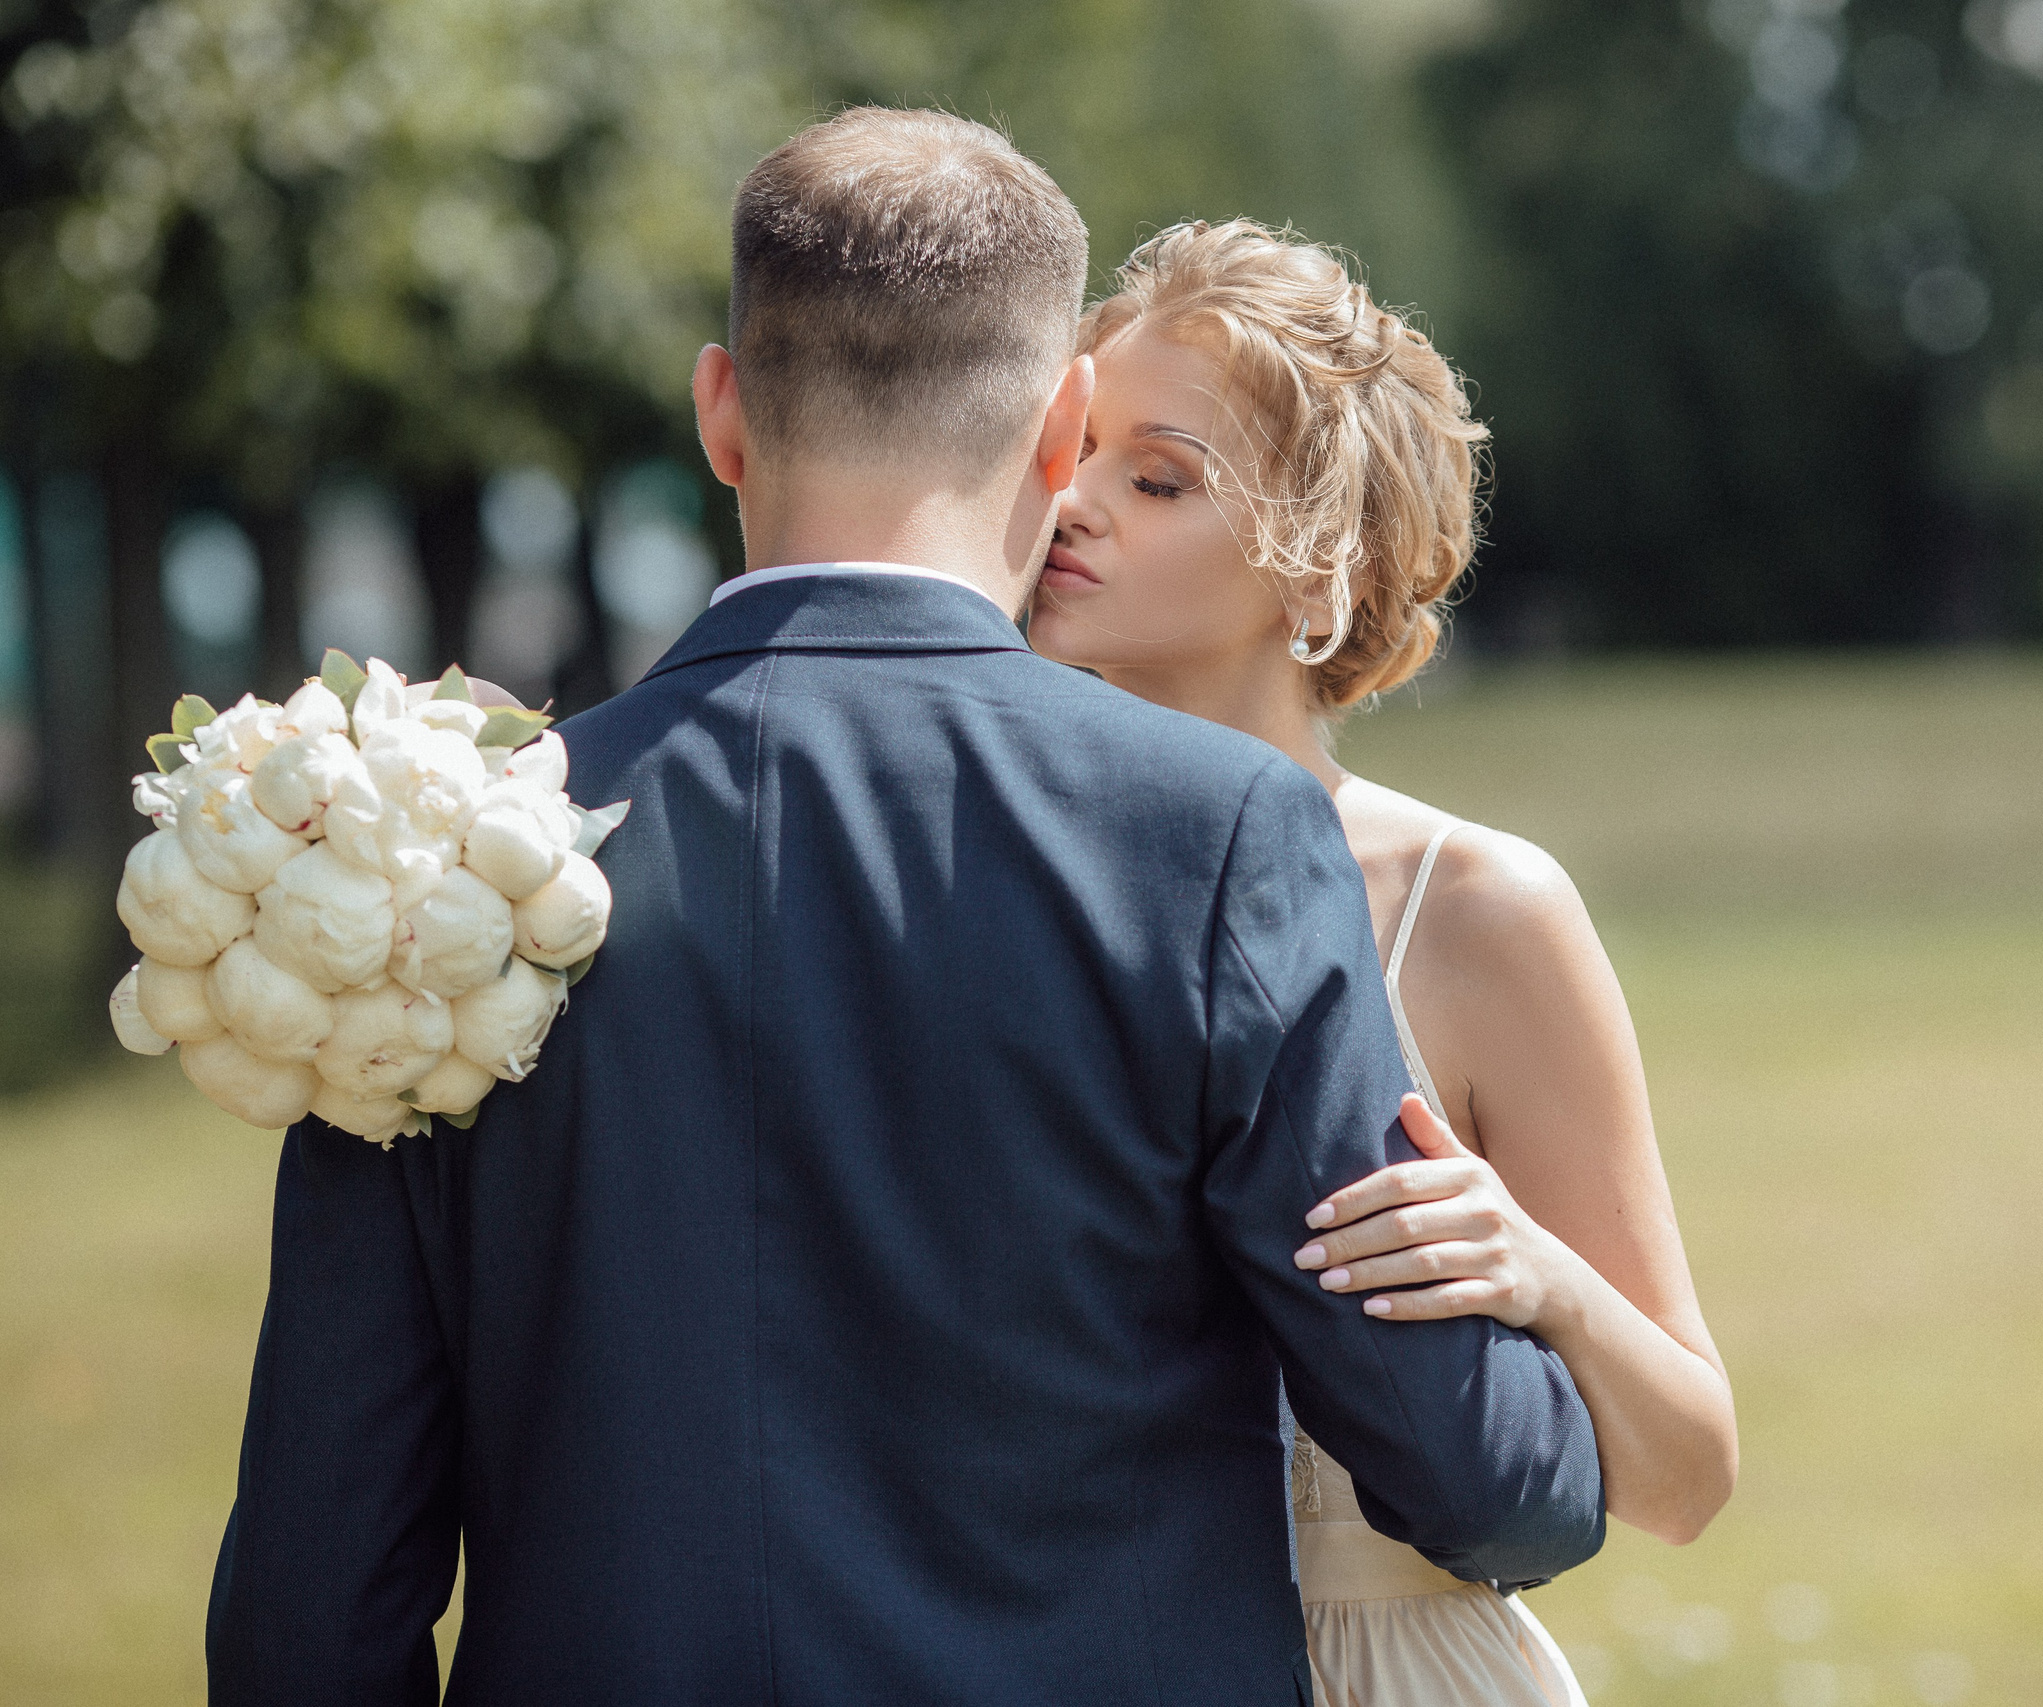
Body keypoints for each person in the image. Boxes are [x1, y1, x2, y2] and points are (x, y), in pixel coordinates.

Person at [204, 111, 1605, 1706]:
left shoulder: (421, 867)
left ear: (723, 415)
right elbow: (1488, 1487)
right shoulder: (1218, 838)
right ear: (1064, 424)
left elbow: (308, 1614)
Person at [1030, 220, 1739, 1707]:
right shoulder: (999, 876)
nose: (1070, 506)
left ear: (1322, 572)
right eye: (1066, 452)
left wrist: (1539, 1275)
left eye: (1153, 478)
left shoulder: (1482, 909)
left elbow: (1687, 1476)